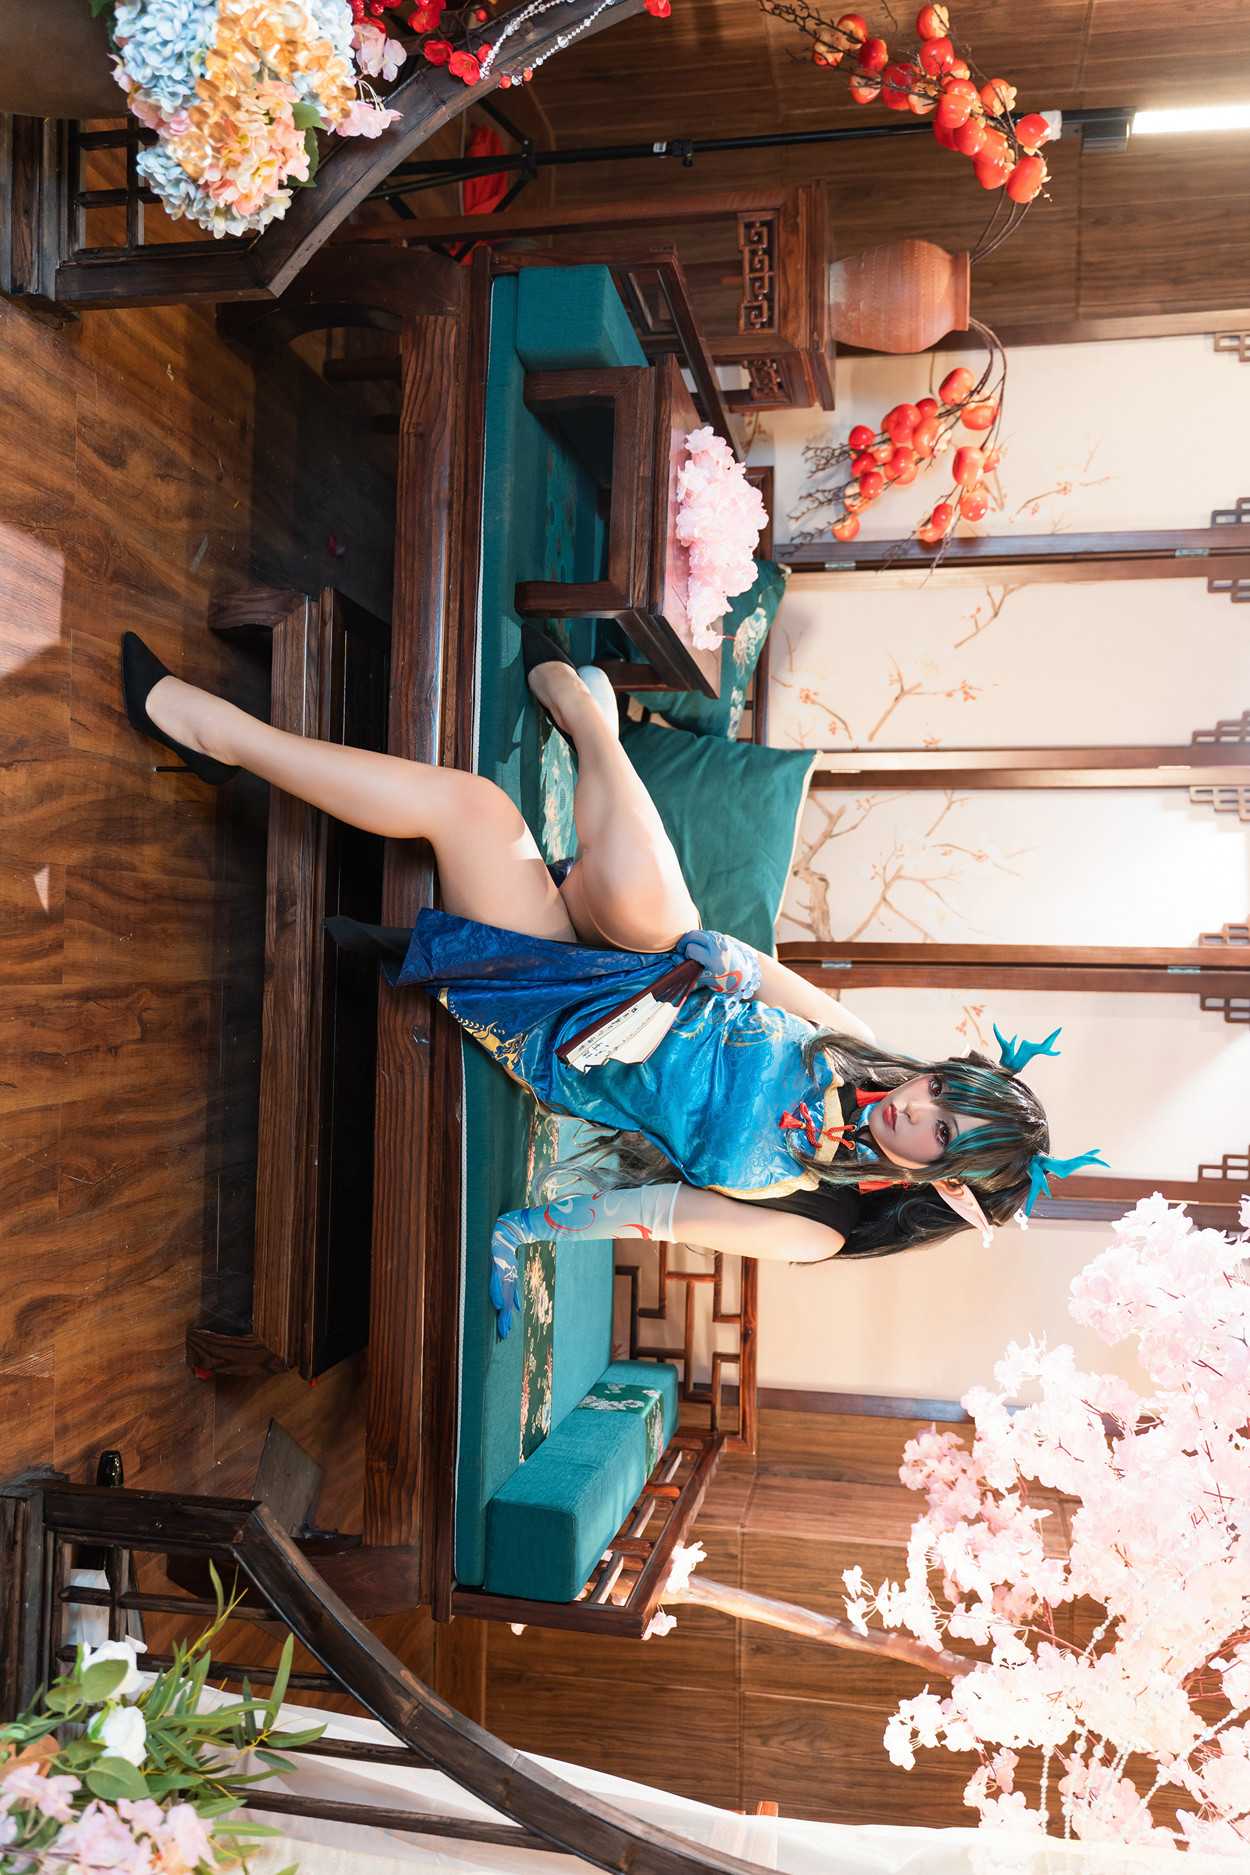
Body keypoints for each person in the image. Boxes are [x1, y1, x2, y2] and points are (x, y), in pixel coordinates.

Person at [121, 626, 1103, 1337]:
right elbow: (752, 966)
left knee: (476, 809)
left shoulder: (821, 1227)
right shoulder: (854, 1046)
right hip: (642, 951)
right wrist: (729, 961)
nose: (918, 1107)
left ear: (945, 1184)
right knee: (666, 922)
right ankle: (589, 725)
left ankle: (225, 740)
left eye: (942, 1131)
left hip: (569, 1028)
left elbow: (660, 1215)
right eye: (943, 1089)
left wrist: (524, 1232)